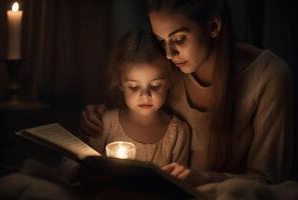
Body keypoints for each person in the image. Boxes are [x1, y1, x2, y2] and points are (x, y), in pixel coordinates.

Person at [81, 0, 293, 187]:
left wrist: (205, 179)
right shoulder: (170, 69)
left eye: (179, 39)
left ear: (213, 26)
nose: (168, 54)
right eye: (161, 41)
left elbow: (268, 181)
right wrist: (100, 116)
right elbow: (136, 99)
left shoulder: (267, 77)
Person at [85, 30, 191, 167]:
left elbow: (179, 181)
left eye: (155, 85)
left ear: (169, 81)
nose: (145, 96)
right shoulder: (105, 124)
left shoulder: (178, 133)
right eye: (134, 87)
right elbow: (78, 163)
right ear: (120, 83)